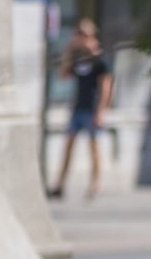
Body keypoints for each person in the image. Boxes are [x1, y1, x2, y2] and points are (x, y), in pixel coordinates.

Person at [48, 20, 113, 201]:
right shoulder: (78, 59)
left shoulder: (100, 60)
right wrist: (69, 50)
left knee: (94, 149)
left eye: (84, 35)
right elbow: (63, 75)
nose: (81, 39)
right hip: (77, 108)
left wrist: (101, 111)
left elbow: (106, 87)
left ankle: (94, 184)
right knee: (68, 147)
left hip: (92, 109)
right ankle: (60, 185)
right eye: (78, 35)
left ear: (92, 36)